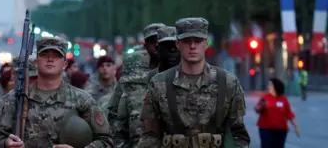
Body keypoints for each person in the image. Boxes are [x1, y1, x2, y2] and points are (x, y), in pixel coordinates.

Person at [137, 18, 250, 148]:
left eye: (197, 40)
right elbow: (150, 136)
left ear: (206, 43)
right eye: (186, 41)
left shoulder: (228, 83)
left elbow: (238, 135)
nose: (192, 46)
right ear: (178, 44)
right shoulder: (158, 84)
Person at [0, 37, 113, 148]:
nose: (50, 59)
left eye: (56, 55)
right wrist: (6, 144)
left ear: (64, 64)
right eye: (44, 54)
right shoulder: (16, 99)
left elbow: (106, 140)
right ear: (36, 62)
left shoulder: (82, 99)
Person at [106, 23, 165, 147]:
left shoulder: (179, 70)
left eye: (160, 40)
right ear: (145, 45)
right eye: (152, 41)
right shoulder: (132, 73)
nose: (157, 44)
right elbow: (114, 114)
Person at [0, 54, 38, 148]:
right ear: (13, 75)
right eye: (23, 77)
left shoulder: (52, 105)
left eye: (33, 77)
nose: (28, 82)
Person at [255, 78, 300, 148]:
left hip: (281, 130)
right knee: (266, 145)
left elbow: (289, 114)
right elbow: (257, 109)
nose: (268, 86)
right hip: (265, 129)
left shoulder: (283, 99)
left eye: (270, 85)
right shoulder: (265, 97)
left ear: (276, 87)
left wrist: (296, 126)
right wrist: (261, 107)